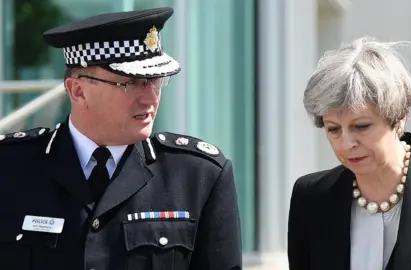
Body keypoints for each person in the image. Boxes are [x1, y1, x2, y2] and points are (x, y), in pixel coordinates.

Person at [0, 7, 242, 270]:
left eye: (156, 80)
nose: (150, 98)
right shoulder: (10, 167)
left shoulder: (197, 175)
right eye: (132, 82)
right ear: (78, 91)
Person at [287, 36, 411, 270]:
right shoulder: (310, 198)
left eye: (361, 126)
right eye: (333, 129)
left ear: (399, 118)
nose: (347, 143)